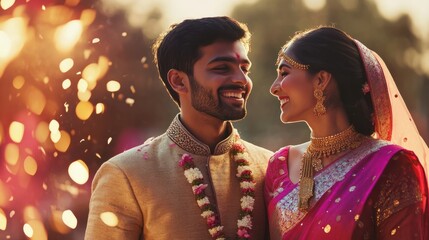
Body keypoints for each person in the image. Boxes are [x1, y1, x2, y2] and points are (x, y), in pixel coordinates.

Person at [85, 16, 273, 240]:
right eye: (222, 68)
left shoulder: (269, 168)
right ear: (178, 81)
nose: (241, 79)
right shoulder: (126, 174)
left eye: (245, 68)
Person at [265, 26, 429, 239]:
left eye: (284, 73)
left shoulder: (390, 165)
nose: (274, 88)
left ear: (321, 80)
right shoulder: (279, 165)